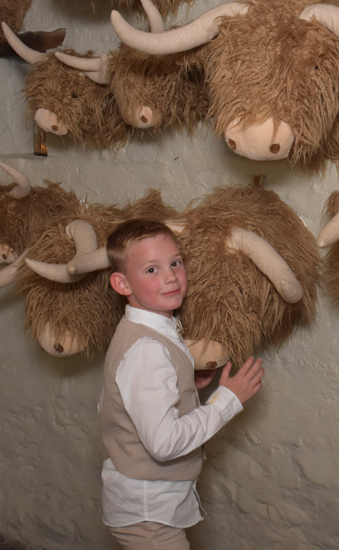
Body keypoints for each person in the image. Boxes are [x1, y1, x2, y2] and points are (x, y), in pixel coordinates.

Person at [100, 218, 264, 550]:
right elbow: (163, 443)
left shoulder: (154, 329)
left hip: (156, 507)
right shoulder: (147, 350)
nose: (171, 276)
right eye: (151, 270)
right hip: (149, 514)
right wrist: (227, 400)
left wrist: (185, 383)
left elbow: (136, 400)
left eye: (175, 262)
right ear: (122, 284)